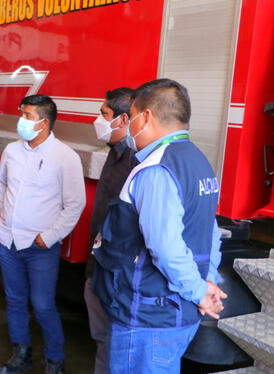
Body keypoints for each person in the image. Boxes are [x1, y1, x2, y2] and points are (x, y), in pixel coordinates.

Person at [92, 79, 227, 374]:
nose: (130, 126)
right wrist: (206, 282)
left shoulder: (156, 169)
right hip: (175, 314)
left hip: (148, 317)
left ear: (147, 117)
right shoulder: (199, 161)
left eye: (134, 115)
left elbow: (165, 248)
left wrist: (200, 291)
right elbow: (209, 233)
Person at [0, 94, 86, 374]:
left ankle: (54, 361)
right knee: (14, 301)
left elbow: (75, 204)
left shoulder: (64, 157)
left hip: (40, 248)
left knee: (43, 305)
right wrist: (5, 215)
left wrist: (49, 236)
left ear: (44, 123)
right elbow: (1, 184)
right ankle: (21, 354)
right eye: (21, 114)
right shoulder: (12, 150)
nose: (21, 120)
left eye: (28, 116)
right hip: (8, 242)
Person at [84, 87, 137, 374]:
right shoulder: (114, 154)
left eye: (104, 115)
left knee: (114, 346)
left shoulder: (135, 162)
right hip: (99, 267)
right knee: (103, 342)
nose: (98, 121)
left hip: (115, 275)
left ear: (124, 119)